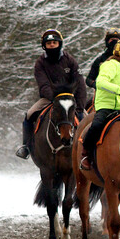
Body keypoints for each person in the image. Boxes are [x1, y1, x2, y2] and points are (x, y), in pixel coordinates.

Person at [16, 29, 88, 159]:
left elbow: (80, 83)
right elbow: (43, 85)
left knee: (87, 120)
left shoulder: (70, 60)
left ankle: (88, 149)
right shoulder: (40, 63)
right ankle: (26, 146)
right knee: (29, 115)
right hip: (50, 99)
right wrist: (55, 99)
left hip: (71, 99)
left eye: (54, 42)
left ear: (59, 44)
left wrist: (80, 106)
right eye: (49, 43)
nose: (52, 45)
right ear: (44, 46)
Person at [78, 38, 120, 171]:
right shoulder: (109, 65)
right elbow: (100, 82)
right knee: (97, 125)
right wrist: (119, 91)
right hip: (107, 105)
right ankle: (86, 154)